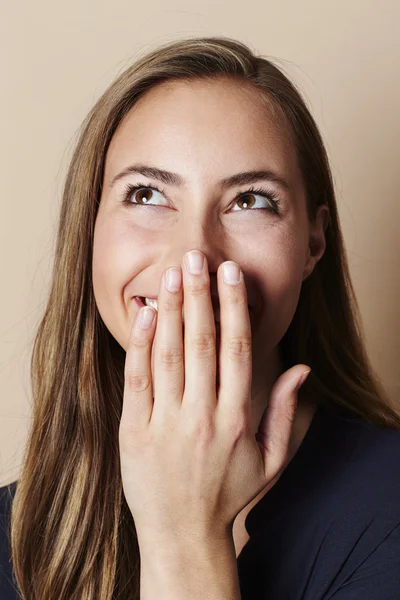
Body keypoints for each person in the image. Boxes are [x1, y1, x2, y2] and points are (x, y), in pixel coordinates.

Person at [1, 36, 399, 600]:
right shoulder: (11, 533)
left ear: (313, 242)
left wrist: (184, 538)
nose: (195, 258)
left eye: (250, 201)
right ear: (89, 230)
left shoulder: (389, 514)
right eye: (145, 194)